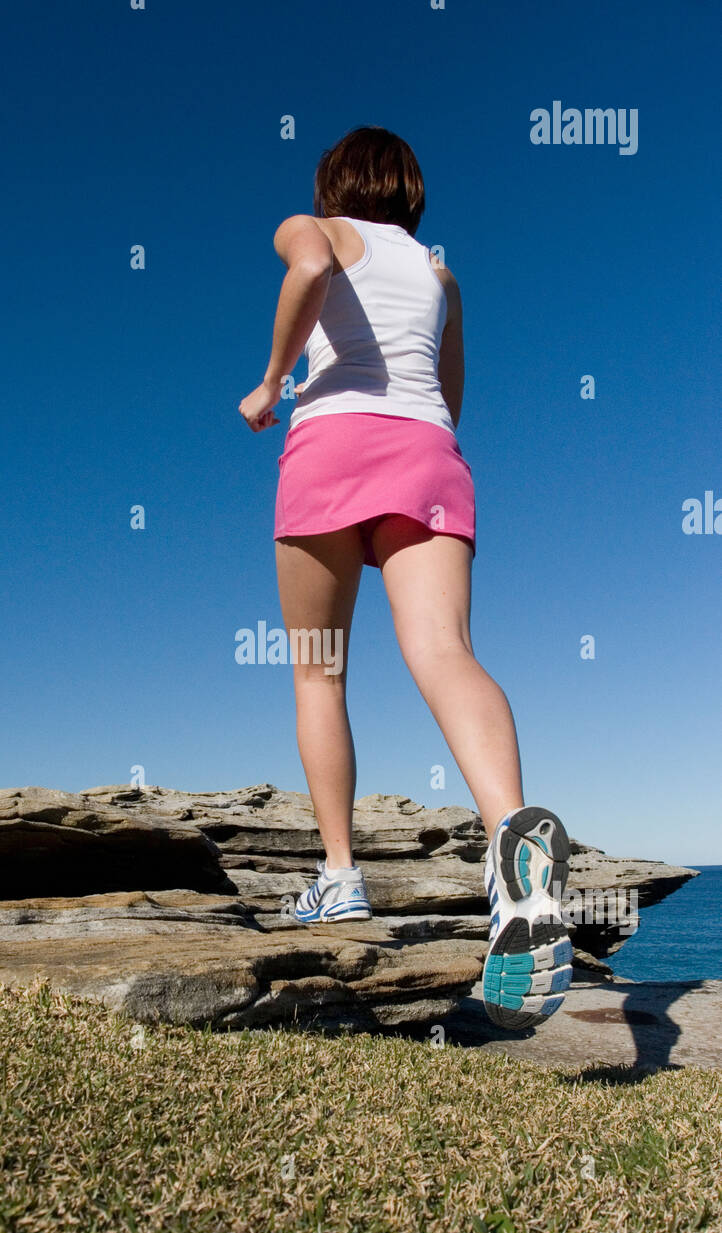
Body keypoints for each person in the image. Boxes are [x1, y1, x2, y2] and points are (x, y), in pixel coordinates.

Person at [238, 126, 571, 1031]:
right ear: (412, 191)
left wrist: (272, 383)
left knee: (317, 668)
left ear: (334, 182)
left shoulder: (313, 225)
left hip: (331, 449)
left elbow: (306, 271)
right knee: (444, 650)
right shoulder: (439, 273)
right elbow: (449, 395)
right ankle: (515, 859)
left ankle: (341, 875)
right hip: (427, 453)